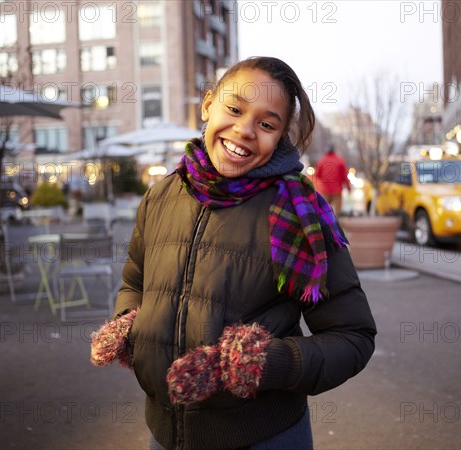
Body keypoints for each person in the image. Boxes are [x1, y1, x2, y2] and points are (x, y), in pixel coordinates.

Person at [90, 57, 376, 450]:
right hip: (163, 433)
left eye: (266, 123)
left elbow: (352, 337)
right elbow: (135, 280)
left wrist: (267, 361)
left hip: (264, 437)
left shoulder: (297, 211)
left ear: (279, 137)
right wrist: (131, 324)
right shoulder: (162, 195)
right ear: (208, 105)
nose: (244, 131)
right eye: (235, 109)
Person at [315, 144, 351, 214]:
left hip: (325, 190)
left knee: (324, 211)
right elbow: (344, 176)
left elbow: (318, 175)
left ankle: (326, 224)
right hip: (337, 190)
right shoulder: (340, 160)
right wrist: (348, 187)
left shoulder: (321, 161)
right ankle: (337, 223)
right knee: (337, 212)